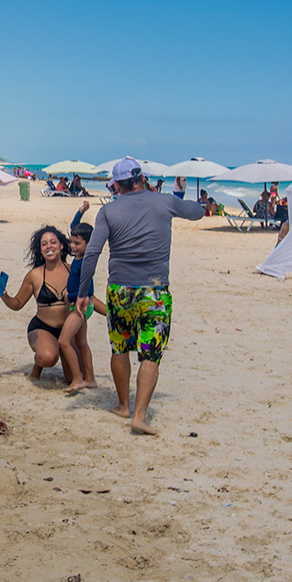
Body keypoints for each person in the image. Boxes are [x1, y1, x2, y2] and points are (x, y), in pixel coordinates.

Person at [77, 158, 204, 435]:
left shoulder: (108, 211)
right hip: (155, 291)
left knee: (120, 348)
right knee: (151, 355)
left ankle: (123, 405)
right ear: (142, 178)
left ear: (117, 186)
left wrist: (83, 291)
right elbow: (198, 213)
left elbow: (92, 254)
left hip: (120, 291)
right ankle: (139, 416)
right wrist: (181, 193)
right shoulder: (165, 202)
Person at [0, 225, 76, 383]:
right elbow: (17, 303)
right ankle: (38, 364)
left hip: (68, 330)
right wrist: (4, 296)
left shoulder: (73, 271)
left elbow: (88, 299)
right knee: (48, 357)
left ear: (61, 245)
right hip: (42, 327)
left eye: (53, 242)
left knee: (72, 378)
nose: (49, 246)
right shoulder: (35, 275)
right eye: (44, 244)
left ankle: (57, 348)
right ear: (40, 250)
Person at [59, 202, 108, 393]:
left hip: (81, 305)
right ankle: (91, 379)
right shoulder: (78, 257)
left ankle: (78, 378)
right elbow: (73, 227)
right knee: (81, 343)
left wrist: (68, 295)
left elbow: (86, 290)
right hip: (76, 305)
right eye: (71, 242)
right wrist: (80, 211)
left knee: (64, 341)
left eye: (77, 244)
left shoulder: (88, 260)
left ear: (90, 244)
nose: (72, 246)